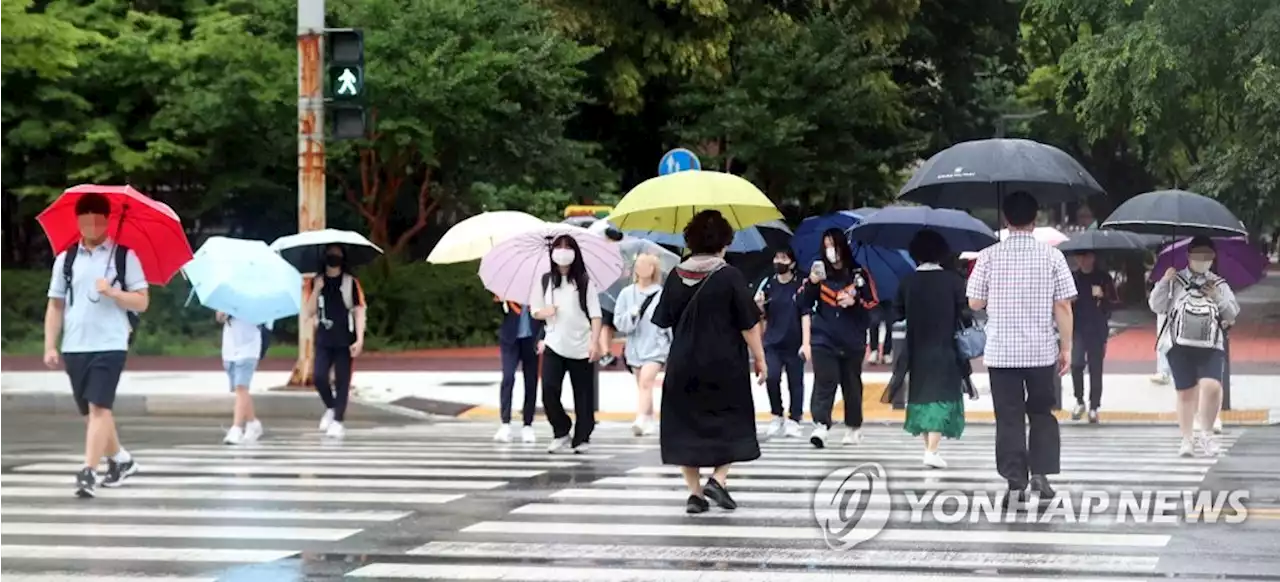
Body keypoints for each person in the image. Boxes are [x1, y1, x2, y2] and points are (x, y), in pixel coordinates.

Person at [652, 210, 766, 514]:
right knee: (731, 421)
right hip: (724, 364)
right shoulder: (729, 275)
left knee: (684, 426)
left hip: (683, 364)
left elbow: (663, 319)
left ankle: (695, 494)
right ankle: (718, 479)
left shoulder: (676, 275)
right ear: (724, 242)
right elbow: (748, 325)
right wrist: (760, 359)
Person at [966, 191, 1076, 507]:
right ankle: (1041, 474)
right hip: (1041, 352)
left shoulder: (988, 256)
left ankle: (1016, 482)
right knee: (1042, 413)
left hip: (1001, 354)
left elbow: (975, 302)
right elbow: (1064, 306)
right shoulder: (1053, 256)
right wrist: (1065, 347)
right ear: (1035, 218)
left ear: (1005, 219)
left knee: (1009, 418)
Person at [44, 192, 149, 498]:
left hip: (111, 342)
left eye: (98, 219)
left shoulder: (124, 257)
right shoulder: (66, 259)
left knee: (100, 407)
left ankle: (88, 471)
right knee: (92, 412)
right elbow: (55, 305)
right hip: (75, 345)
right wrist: (50, 345)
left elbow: (142, 302)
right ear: (78, 221)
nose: (92, 225)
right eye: (86, 219)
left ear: (108, 220)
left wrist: (114, 293)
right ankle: (121, 460)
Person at [1150, 236, 1239, 457]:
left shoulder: (1218, 283)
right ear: (1188, 256)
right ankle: (1187, 439)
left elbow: (1232, 312)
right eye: (1198, 255)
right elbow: (1156, 305)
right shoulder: (1176, 280)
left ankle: (1206, 434)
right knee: (1185, 392)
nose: (1202, 260)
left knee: (1212, 386)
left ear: (1213, 258)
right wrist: (1164, 282)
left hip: (1211, 344)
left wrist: (1217, 297)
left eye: (1207, 256)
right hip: (1179, 343)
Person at [894, 230, 970, 469]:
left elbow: (897, 313)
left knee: (922, 396)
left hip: (916, 348)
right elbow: (965, 316)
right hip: (945, 347)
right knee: (940, 395)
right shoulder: (953, 281)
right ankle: (932, 450)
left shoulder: (907, 282)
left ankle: (929, 448)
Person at [800, 228, 879, 449]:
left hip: (852, 339)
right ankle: (821, 424)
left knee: (851, 384)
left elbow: (873, 306)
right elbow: (804, 303)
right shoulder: (818, 273)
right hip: (823, 337)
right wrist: (811, 284)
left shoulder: (859, 274)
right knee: (825, 380)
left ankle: (853, 427)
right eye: (826, 246)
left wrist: (855, 304)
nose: (830, 251)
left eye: (833, 245)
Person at [532, 234, 604, 454]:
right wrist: (546, 312)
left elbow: (595, 315)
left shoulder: (583, 282)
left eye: (567, 247)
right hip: (554, 344)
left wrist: (595, 341)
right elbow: (535, 311)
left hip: (581, 345)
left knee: (583, 395)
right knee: (549, 391)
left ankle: (582, 436)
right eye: (558, 247)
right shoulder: (545, 281)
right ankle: (561, 430)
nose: (563, 251)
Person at [306, 244, 366, 439]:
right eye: (331, 254)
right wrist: (317, 290)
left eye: (338, 254)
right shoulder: (316, 281)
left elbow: (359, 311)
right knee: (319, 377)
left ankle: (338, 421)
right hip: (323, 338)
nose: (334, 257)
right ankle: (331, 407)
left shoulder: (351, 283)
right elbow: (309, 311)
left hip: (344, 339)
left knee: (342, 380)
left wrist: (359, 339)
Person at [612, 253, 670, 436]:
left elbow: (668, 321)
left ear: (653, 269)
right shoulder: (626, 294)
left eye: (645, 264)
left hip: (656, 346)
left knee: (646, 381)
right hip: (635, 347)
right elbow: (619, 322)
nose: (641, 268)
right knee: (643, 385)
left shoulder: (662, 294)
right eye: (638, 264)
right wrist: (631, 315)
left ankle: (640, 418)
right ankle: (650, 418)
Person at [754, 248, 805, 438]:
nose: (778, 261)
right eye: (777, 257)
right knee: (772, 377)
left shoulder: (800, 285)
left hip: (794, 341)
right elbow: (760, 314)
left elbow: (806, 312)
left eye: (783, 258)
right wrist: (759, 305)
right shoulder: (768, 284)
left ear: (792, 263)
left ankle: (795, 418)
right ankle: (777, 414)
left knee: (796, 382)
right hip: (772, 341)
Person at [1069, 251, 1117, 423]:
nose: (1082, 260)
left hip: (1097, 329)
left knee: (1096, 368)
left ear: (1093, 258)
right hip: (1077, 328)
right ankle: (1079, 400)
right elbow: (1062, 303)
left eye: (1086, 257)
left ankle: (1094, 406)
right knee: (1076, 364)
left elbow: (1114, 303)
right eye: (1079, 257)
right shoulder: (1072, 278)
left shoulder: (1103, 278)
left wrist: (1103, 297)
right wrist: (1070, 301)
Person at [494, 296, 543, 443]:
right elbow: (496, 314)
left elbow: (546, 318)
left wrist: (542, 338)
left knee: (531, 381)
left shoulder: (539, 292)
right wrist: (501, 302)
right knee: (508, 377)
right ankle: (505, 423)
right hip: (510, 340)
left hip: (531, 340)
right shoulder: (508, 291)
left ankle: (528, 424)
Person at [217, 312, 264, 444]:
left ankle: (236, 428)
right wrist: (222, 314)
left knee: (241, 387)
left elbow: (263, 320)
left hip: (249, 348)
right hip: (230, 349)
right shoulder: (228, 295)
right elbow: (219, 317)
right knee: (239, 391)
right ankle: (252, 422)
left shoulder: (258, 298)